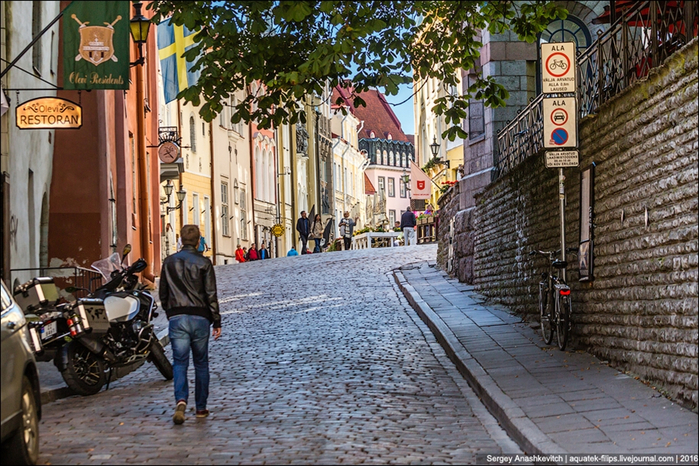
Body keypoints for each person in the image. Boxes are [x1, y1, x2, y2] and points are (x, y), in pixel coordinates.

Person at [160, 225, 221, 425]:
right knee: (201, 363)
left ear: (181, 241)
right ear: (198, 241)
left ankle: (181, 400)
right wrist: (216, 320)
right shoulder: (204, 263)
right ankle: (201, 408)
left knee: (180, 363)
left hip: (177, 317)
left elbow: (163, 293)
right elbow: (211, 294)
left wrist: (170, 312)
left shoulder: (168, 262)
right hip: (200, 318)